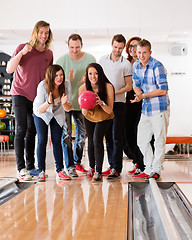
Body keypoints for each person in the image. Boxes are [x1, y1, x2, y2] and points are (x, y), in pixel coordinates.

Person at [6, 20, 53, 181]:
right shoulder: (22, 48)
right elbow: (9, 69)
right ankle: (21, 168)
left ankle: (30, 166)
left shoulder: (48, 54)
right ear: (35, 32)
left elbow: (48, 77)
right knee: (21, 128)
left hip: (36, 98)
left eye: (46, 33)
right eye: (41, 32)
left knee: (32, 131)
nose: (44, 35)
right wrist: (21, 54)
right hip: (19, 93)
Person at [56, 34, 96, 178]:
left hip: (82, 104)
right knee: (66, 135)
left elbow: (95, 79)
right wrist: (68, 80)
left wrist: (88, 81)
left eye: (77, 47)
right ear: (68, 46)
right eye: (72, 47)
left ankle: (77, 161)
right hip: (66, 104)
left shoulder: (90, 59)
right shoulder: (61, 60)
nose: (74, 50)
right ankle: (70, 166)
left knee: (83, 134)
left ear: (82, 45)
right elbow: (56, 82)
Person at [131, 39, 170, 180]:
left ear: (150, 52)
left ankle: (156, 169)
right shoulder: (136, 65)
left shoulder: (157, 66)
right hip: (146, 109)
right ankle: (148, 168)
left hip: (159, 108)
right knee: (141, 140)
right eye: (139, 52)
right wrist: (137, 93)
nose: (141, 55)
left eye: (144, 53)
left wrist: (143, 95)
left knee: (159, 140)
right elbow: (136, 84)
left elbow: (163, 90)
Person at [99, 34, 132, 179]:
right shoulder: (102, 60)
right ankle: (111, 165)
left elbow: (129, 86)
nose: (117, 50)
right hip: (105, 104)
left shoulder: (126, 64)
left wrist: (113, 93)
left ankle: (117, 168)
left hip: (119, 104)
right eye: (115, 47)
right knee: (107, 136)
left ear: (123, 47)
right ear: (111, 45)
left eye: (120, 48)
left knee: (117, 136)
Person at [33, 64, 72, 182]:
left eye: (61, 75)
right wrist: (49, 102)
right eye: (56, 76)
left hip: (57, 113)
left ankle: (60, 170)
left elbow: (68, 108)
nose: (59, 78)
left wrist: (64, 103)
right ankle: (41, 172)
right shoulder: (42, 86)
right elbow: (40, 109)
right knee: (42, 140)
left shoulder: (66, 85)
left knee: (57, 140)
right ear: (50, 76)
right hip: (42, 113)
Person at [79, 63, 114, 182]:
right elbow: (84, 113)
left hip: (105, 116)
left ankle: (98, 171)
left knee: (97, 139)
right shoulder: (83, 88)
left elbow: (109, 110)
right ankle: (91, 168)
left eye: (96, 73)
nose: (93, 76)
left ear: (100, 74)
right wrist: (85, 106)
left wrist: (101, 102)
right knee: (91, 141)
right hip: (89, 116)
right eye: (90, 74)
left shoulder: (108, 86)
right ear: (87, 75)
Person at [124, 36, 145, 175]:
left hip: (141, 100)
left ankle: (142, 164)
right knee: (127, 133)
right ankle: (136, 161)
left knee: (139, 133)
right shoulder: (125, 62)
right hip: (128, 100)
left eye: (135, 46)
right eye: (131, 46)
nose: (133, 48)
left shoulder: (143, 63)